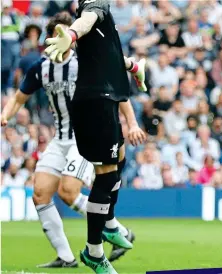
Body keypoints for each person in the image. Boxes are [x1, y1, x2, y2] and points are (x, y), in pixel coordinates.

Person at [0, 13, 140, 268]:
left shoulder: (86, 63)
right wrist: (4, 115)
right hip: (60, 138)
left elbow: (117, 94)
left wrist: (131, 123)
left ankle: (113, 227)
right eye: (58, 34)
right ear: (51, 38)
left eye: (68, 33)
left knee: (68, 191)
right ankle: (66, 257)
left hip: (84, 137)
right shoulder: (41, 68)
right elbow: (19, 98)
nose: (63, 38)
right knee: (41, 194)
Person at [43, 0, 149, 271]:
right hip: (96, 104)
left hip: (100, 102)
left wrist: (134, 68)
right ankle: (94, 251)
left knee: (116, 163)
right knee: (107, 174)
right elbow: (86, 20)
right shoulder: (96, 8)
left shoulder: (99, 29)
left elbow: (111, 57)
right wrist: (73, 34)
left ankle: (110, 225)